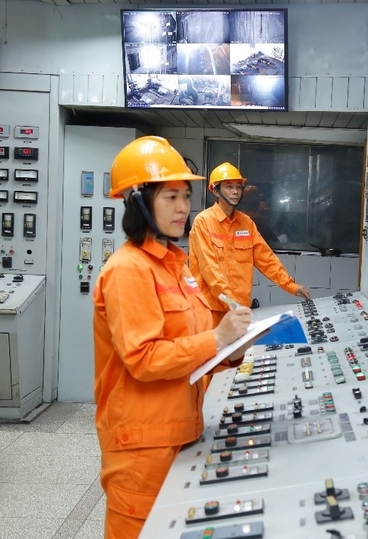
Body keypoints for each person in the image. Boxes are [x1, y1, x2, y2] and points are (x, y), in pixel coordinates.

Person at [92, 137, 257, 539]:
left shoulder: (174, 266)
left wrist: (234, 350)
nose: (183, 207)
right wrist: (217, 339)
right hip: (142, 448)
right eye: (170, 197)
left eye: (185, 195)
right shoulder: (128, 270)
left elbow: (192, 347)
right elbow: (144, 359)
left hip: (181, 432)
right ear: (138, 203)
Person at [189, 161, 311, 328]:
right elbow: (209, 269)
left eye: (238, 187)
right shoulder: (203, 222)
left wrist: (291, 286)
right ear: (215, 190)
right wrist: (229, 301)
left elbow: (266, 258)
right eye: (229, 187)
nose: (235, 192)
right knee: (213, 353)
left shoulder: (246, 223)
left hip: (239, 308)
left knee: (239, 354)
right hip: (210, 310)